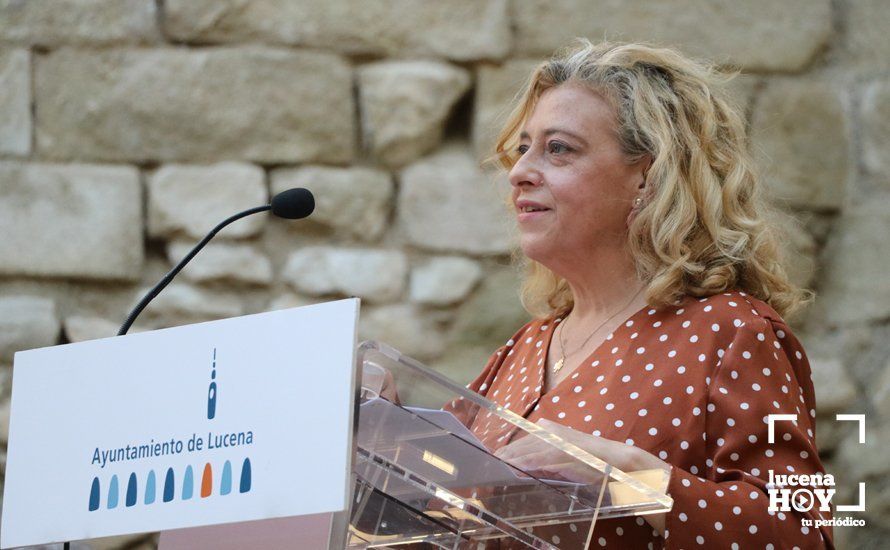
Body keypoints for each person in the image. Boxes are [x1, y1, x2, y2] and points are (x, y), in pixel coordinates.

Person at [464, 39, 835, 548]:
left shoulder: (732, 333)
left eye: (558, 149)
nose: (520, 172)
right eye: (524, 147)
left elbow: (800, 533)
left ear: (648, 174)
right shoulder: (523, 347)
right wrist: (368, 426)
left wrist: (628, 477)